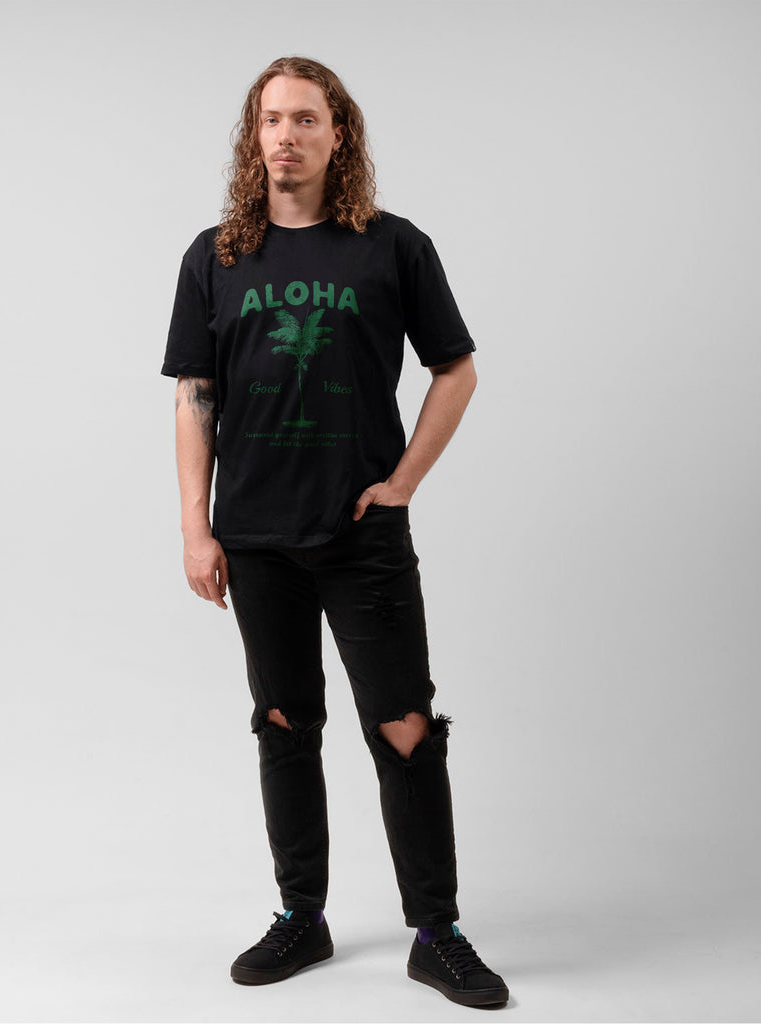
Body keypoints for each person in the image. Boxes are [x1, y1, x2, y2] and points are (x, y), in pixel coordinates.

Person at [160, 55, 510, 1008]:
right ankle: (300, 917)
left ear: (337, 133)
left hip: (361, 535)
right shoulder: (215, 255)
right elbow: (195, 395)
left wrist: (401, 484)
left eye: (306, 118)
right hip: (255, 535)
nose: (287, 135)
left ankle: (435, 932)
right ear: (254, 137)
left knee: (404, 727)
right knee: (284, 723)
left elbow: (456, 370)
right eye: (272, 119)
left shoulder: (390, 246)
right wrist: (195, 527)